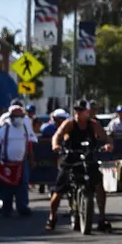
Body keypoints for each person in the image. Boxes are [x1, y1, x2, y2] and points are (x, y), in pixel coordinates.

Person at [49, 99, 112, 232]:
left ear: (87, 112)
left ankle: (102, 218)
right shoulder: (69, 124)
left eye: (81, 110)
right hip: (71, 158)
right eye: (76, 110)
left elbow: (106, 137)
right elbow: (57, 136)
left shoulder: (93, 125)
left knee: (99, 185)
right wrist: (55, 145)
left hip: (88, 158)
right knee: (58, 190)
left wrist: (108, 144)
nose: (78, 113)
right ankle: (52, 216)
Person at [0, 104, 33, 217]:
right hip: (7, 163)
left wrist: (31, 159)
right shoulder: (4, 129)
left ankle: (23, 207)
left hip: (21, 163)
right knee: (6, 186)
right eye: (16, 116)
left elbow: (29, 144)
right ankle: (6, 208)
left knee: (23, 185)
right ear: (11, 117)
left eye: (21, 116)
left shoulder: (25, 128)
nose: (19, 118)